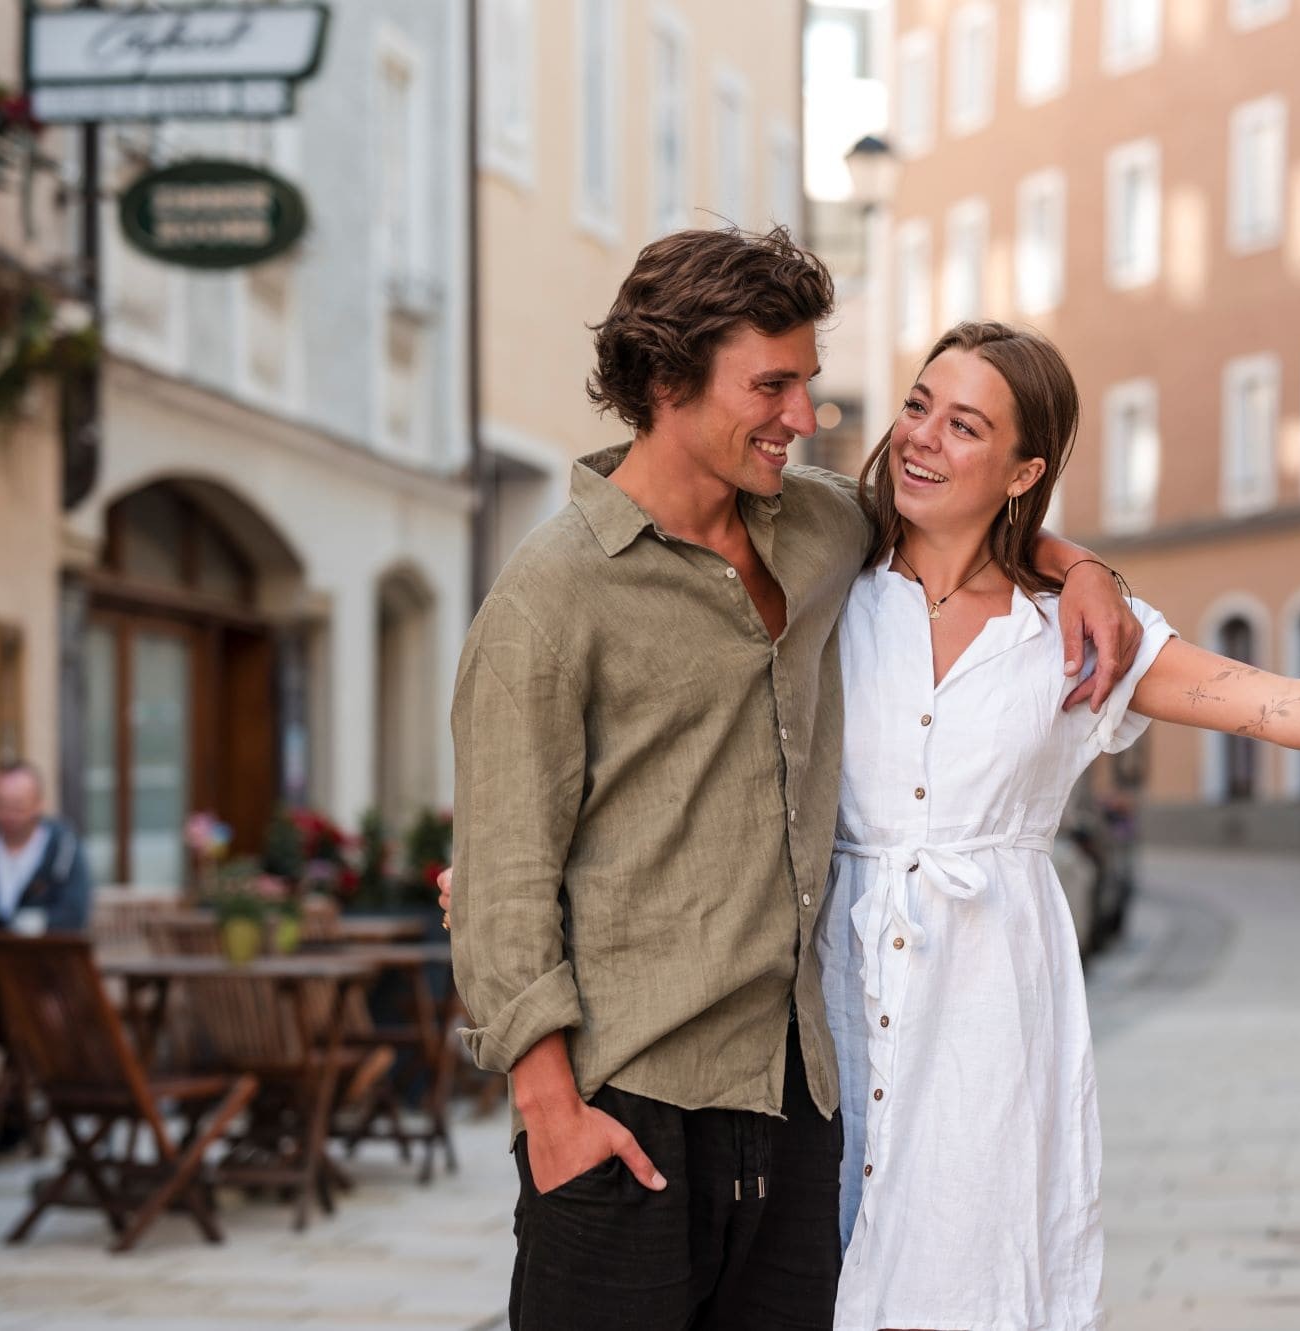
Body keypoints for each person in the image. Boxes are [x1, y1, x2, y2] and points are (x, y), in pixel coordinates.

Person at [447, 318, 1300, 1331]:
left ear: (1022, 468)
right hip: (812, 1019)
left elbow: (1281, 704)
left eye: (964, 425)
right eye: (917, 404)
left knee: (963, 1283)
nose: (919, 433)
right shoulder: (820, 556)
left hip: (983, 1018)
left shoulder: (1065, 636)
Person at [447, 227, 1142, 1331]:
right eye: (772, 385)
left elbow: (965, 507)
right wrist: (552, 1116)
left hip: (796, 1100)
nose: (804, 416)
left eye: (809, 384)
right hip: (632, 1107)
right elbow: (498, 880)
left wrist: (1085, 569)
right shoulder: (550, 598)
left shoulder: (816, 525)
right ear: (667, 378)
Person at [0, 763, 93, 1017]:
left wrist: (24, 924)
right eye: (1, 805)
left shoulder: (63, 848)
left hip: (40, 976)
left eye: (17, 806)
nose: (8, 815)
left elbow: (74, 912)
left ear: (38, 804)